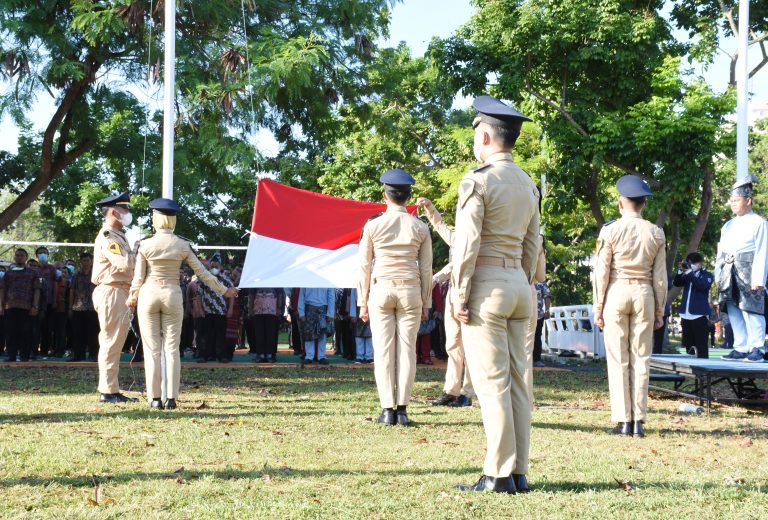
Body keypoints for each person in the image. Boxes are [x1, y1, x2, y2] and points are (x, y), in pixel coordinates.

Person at [451, 96, 539, 494]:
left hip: (486, 285)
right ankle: (518, 471)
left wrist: (459, 292)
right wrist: (521, 279)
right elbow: (533, 244)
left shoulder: (478, 180)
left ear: (484, 135)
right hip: (520, 285)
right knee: (520, 382)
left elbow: (466, 245)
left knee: (492, 384)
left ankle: (497, 474)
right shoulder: (528, 183)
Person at [128, 198, 238, 409]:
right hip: (172, 293)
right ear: (173, 220)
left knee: (152, 349)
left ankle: (154, 398)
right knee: (172, 348)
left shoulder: (145, 244)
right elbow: (203, 274)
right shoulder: (182, 244)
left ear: (155, 219)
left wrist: (133, 296)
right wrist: (225, 291)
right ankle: (171, 398)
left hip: (149, 293)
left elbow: (138, 278)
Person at [593, 175, 667, 439]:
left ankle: (623, 420)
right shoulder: (656, 232)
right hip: (644, 292)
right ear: (644, 204)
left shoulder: (609, 231)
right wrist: (660, 310)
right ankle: (638, 421)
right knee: (641, 357)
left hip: (616, 291)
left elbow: (601, 273)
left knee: (618, 359)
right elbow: (660, 277)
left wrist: (598, 307)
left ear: (620, 203)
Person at [358, 168, 432, 427]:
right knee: (407, 350)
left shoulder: (373, 225)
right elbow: (426, 269)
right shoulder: (420, 227)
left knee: (384, 351)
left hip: (381, 289)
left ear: (385, 196)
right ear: (408, 196)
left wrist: (362, 301)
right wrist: (427, 302)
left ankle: (387, 409)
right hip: (411, 290)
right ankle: (402, 410)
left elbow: (364, 266)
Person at [416, 197, 473, 408]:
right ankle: (452, 391)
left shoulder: (479, 235)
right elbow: (441, 226)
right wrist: (430, 209)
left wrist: (436, 278)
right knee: (453, 345)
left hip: (472, 293)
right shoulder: (460, 236)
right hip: (454, 293)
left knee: (471, 347)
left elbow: (460, 264)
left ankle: (468, 392)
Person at [92, 191, 138, 404]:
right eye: (124, 209)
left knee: (115, 342)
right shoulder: (108, 236)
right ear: (113, 211)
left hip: (119, 290)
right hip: (112, 291)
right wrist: (140, 252)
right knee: (111, 342)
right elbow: (125, 264)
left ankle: (111, 388)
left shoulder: (118, 235)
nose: (128, 213)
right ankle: (108, 391)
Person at [716, 177, 768, 363]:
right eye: (732, 201)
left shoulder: (759, 222)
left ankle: (757, 349)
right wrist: (718, 274)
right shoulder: (727, 225)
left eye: (737, 201)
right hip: (729, 270)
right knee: (733, 309)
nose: (733, 204)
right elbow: (721, 253)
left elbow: (762, 251)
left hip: (749, 268)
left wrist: (759, 279)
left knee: (751, 311)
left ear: (748, 200)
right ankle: (741, 347)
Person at [0, 249, 41, 362]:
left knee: (26, 332)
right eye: (17, 255)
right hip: (10, 306)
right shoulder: (8, 273)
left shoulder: (33, 272)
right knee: (10, 332)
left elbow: (37, 290)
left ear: (26, 258)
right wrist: (1, 305)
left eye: (22, 255)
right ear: (14, 258)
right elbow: (2, 289)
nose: (19, 257)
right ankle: (11, 355)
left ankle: (24, 356)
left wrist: (35, 306)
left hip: (27, 307)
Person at [673, 252, 714, 358]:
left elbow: (702, 286)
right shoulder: (687, 274)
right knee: (689, 345)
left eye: (692, 263)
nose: (690, 266)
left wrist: (689, 272)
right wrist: (680, 270)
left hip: (699, 315)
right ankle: (689, 369)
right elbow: (677, 283)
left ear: (700, 263)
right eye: (689, 263)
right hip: (685, 314)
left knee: (701, 345)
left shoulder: (707, 275)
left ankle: (703, 372)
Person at [198, 253, 235, 362]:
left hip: (221, 311)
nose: (214, 268)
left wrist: (230, 309)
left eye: (216, 266)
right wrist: (200, 308)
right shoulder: (205, 278)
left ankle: (221, 356)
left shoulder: (225, 279)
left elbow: (232, 294)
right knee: (207, 334)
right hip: (207, 311)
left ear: (220, 266)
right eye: (212, 266)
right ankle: (206, 356)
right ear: (209, 266)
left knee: (220, 335)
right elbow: (199, 294)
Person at [69, 252, 99, 361]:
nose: (85, 262)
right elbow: (72, 290)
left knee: (93, 332)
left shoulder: (97, 274)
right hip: (78, 307)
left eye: (88, 260)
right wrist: (70, 307)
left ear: (91, 261)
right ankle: (78, 355)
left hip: (93, 307)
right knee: (77, 333)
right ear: (80, 262)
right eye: (83, 260)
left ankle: (93, 355)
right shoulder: (76, 275)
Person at [245, 288, 285, 363]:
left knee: (271, 333)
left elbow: (280, 293)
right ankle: (260, 354)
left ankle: (270, 354)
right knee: (259, 333)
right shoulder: (256, 279)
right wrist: (250, 309)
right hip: (257, 311)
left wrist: (279, 308)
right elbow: (251, 294)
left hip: (272, 311)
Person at [298, 287, 335, 365]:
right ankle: (309, 356)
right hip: (309, 307)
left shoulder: (327, 278)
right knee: (309, 334)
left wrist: (330, 313)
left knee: (322, 334)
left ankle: (321, 356)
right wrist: (301, 312)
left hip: (323, 308)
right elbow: (301, 295)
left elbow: (331, 295)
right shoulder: (306, 278)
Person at [348, 288, 373, 363]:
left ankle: (369, 357)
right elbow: (353, 301)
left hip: (371, 311)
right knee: (358, 336)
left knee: (370, 335)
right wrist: (353, 314)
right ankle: (359, 356)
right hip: (358, 311)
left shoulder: (371, 283)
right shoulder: (355, 287)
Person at [532, 279, 551, 367]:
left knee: (537, 336)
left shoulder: (541, 281)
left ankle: (537, 359)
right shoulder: (521, 276)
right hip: (524, 314)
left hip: (538, 314)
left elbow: (547, 295)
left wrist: (547, 310)